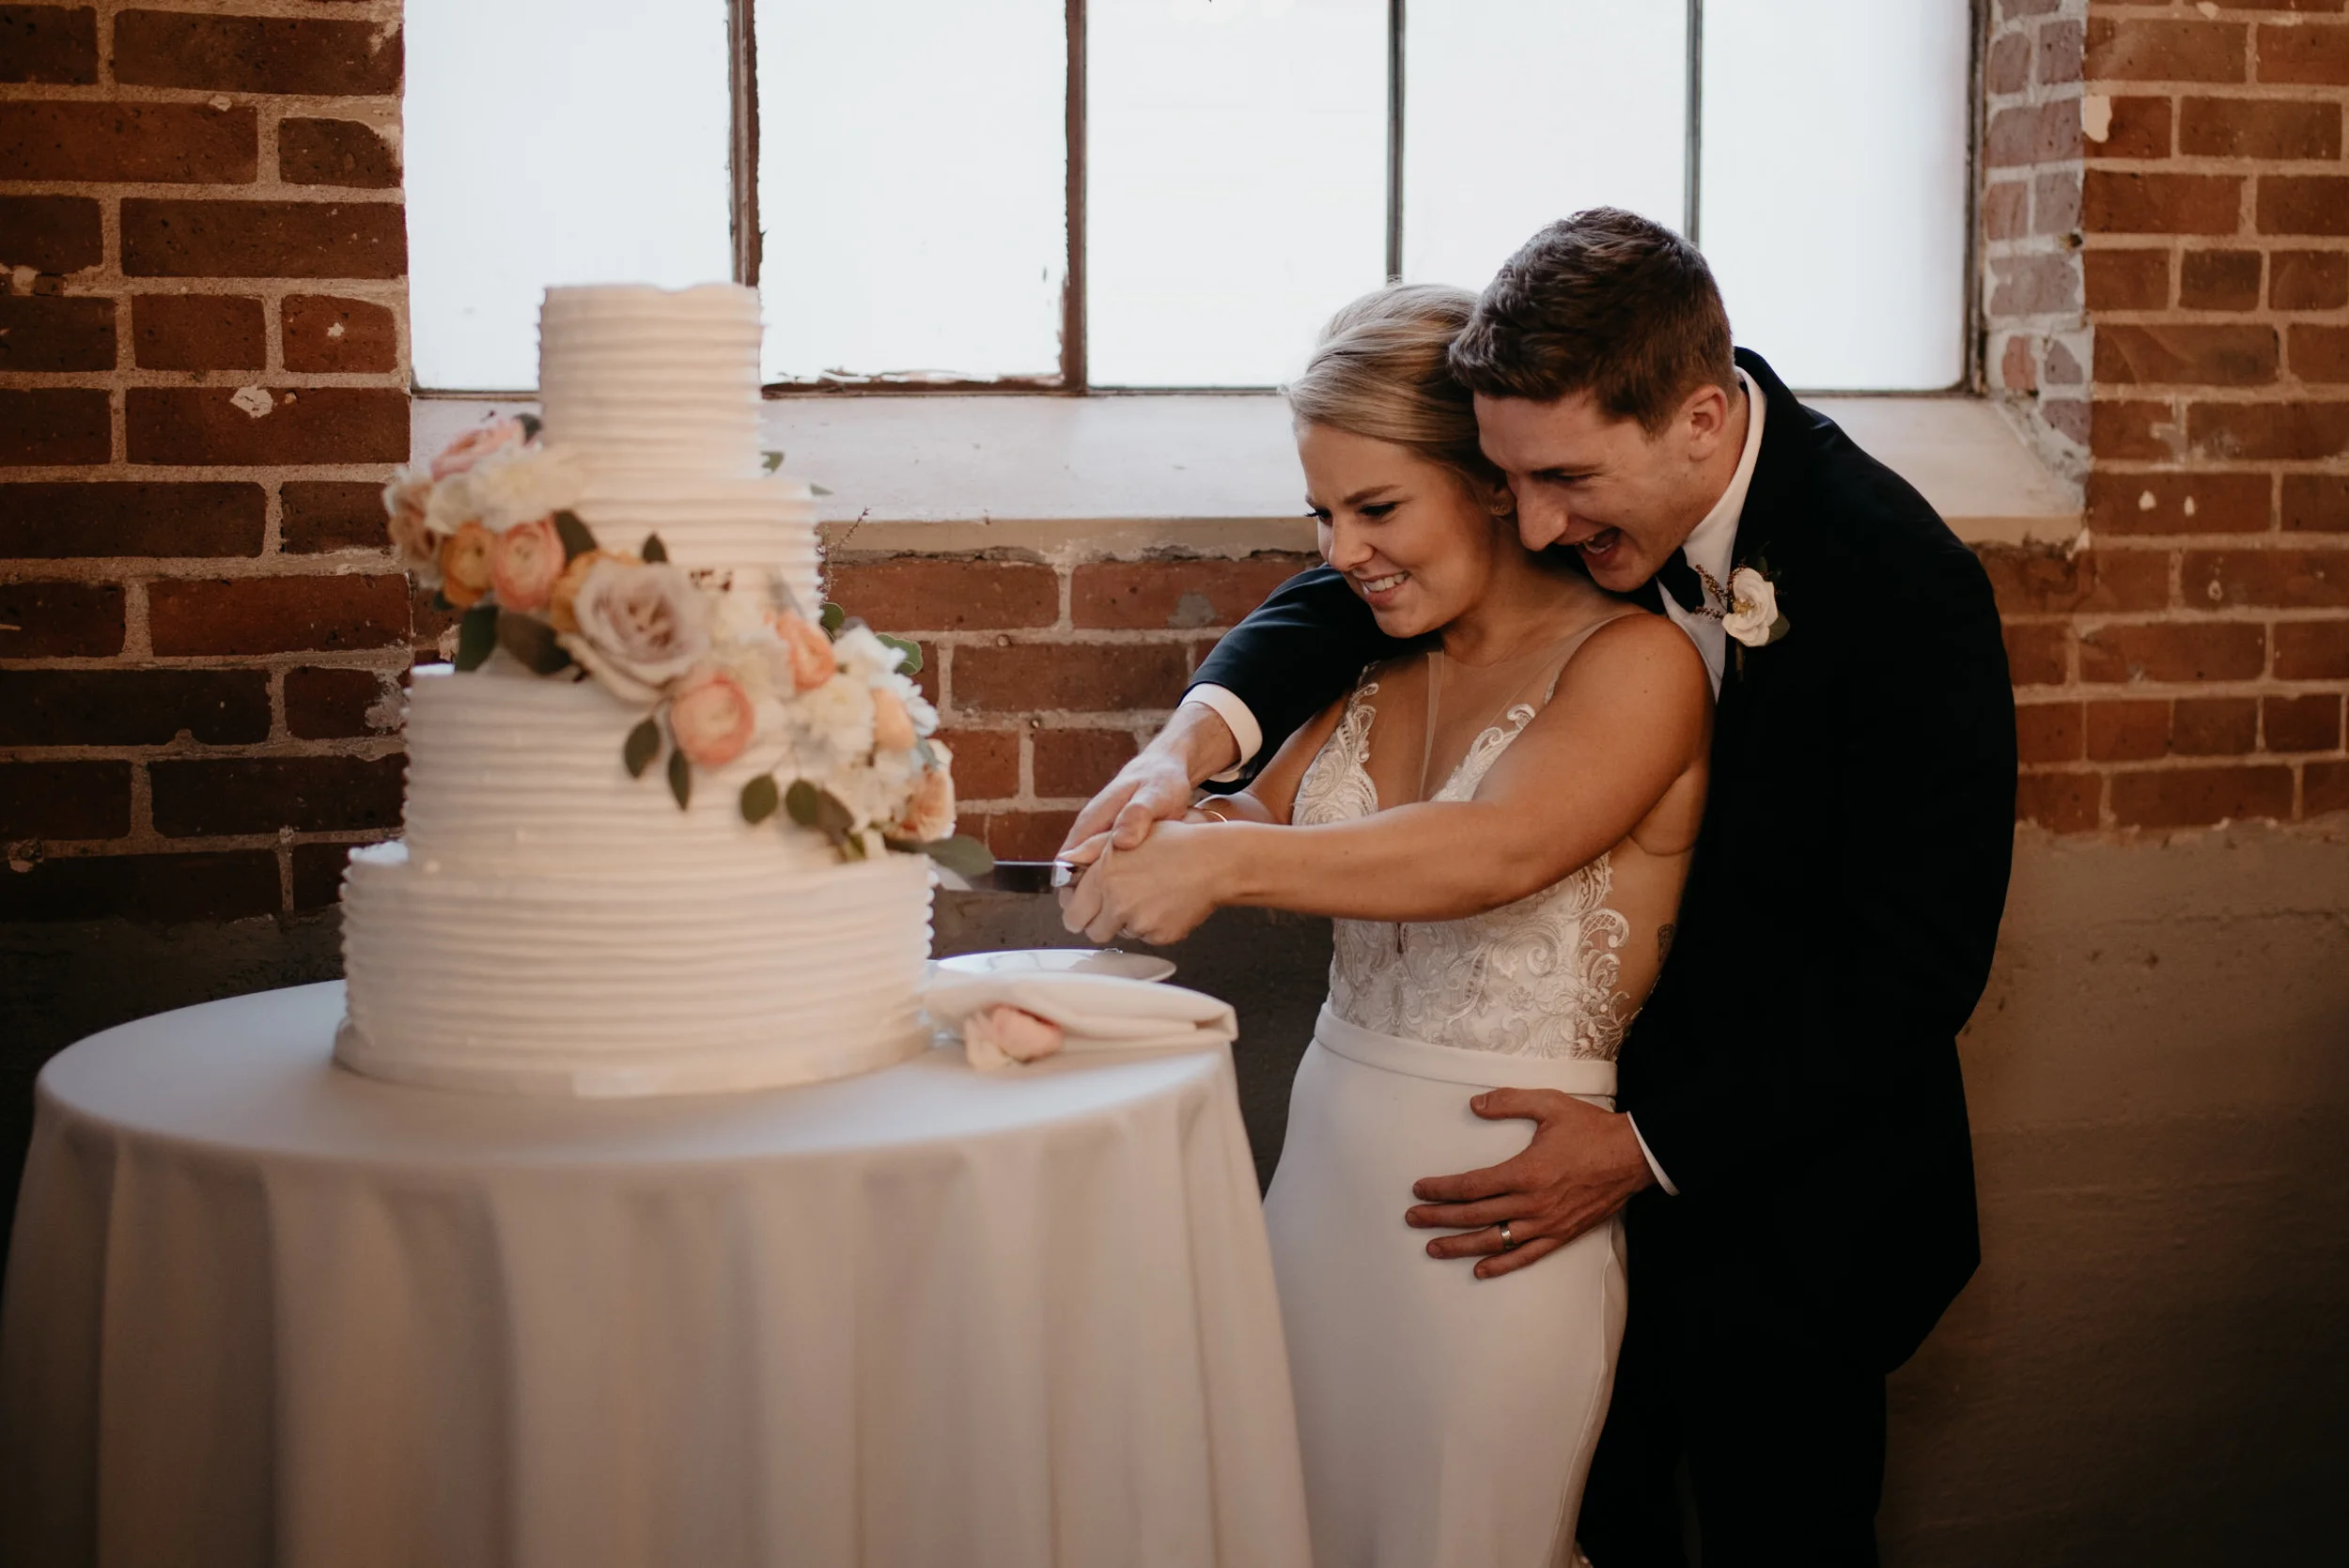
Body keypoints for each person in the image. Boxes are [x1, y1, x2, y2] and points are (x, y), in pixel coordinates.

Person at [1062, 210, 2017, 1565]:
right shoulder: (1545, 491)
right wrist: (1189, 746)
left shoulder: (1895, 581)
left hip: (1779, 1184)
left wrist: (1641, 1149)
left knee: (1775, 1534)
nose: (1544, 522)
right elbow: (1352, 582)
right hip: (1498, 1187)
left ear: (1697, 421)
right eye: (1512, 485)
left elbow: (1915, 965)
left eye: (1562, 484)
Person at [1061, 280, 1713, 1565]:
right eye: (1323, 512)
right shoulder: (1365, 664)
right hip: (1321, 1187)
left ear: (1491, 483)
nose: (1341, 548)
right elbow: (1264, 829)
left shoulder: (1639, 668)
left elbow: (1495, 849)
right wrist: (1154, 816)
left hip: (1502, 1216)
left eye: (1375, 508)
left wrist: (1224, 867)